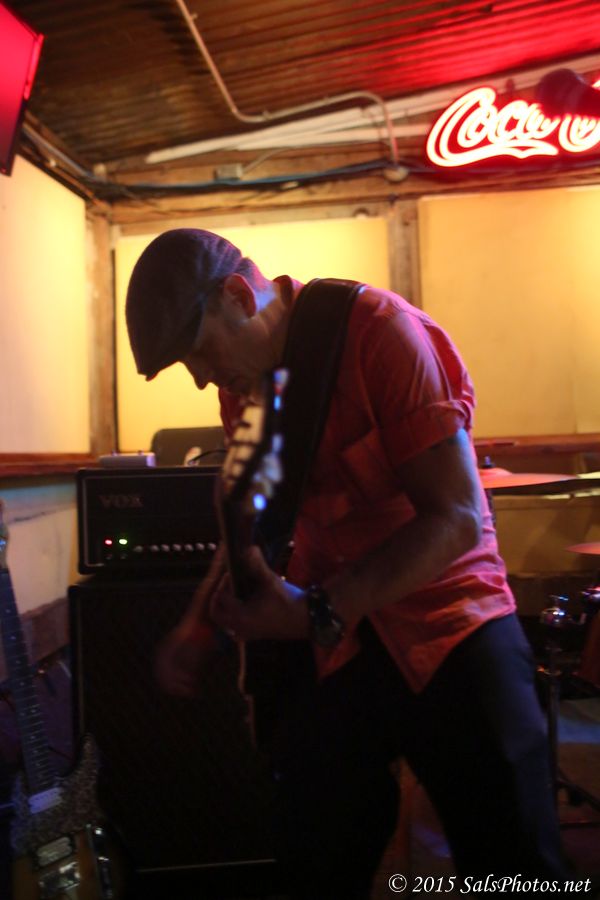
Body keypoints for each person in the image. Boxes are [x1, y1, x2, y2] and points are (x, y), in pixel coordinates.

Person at [125, 228, 568, 898]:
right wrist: (200, 622)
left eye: (200, 352)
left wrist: (317, 610)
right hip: (342, 643)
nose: (202, 378)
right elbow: (251, 513)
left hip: (448, 624)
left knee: (515, 865)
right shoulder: (246, 393)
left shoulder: (382, 335)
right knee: (315, 855)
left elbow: (456, 517)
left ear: (239, 295)